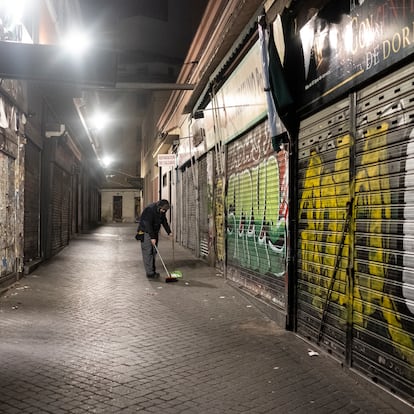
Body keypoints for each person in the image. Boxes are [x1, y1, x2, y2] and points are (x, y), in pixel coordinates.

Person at [137, 199, 172, 278]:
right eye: (163, 209)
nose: (163, 211)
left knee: (154, 251)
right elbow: (148, 224)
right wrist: (152, 237)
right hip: (146, 232)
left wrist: (169, 232)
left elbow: (164, 221)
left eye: (165, 210)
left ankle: (152, 270)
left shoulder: (162, 211)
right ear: (159, 207)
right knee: (148, 252)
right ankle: (150, 273)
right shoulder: (149, 210)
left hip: (154, 232)